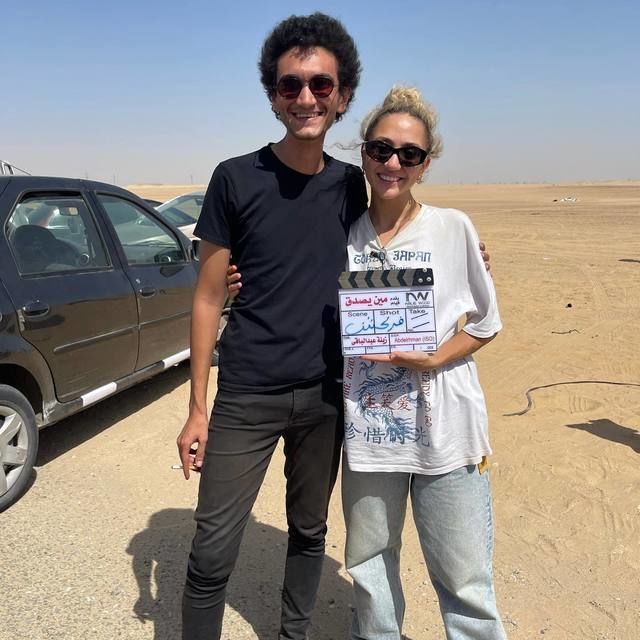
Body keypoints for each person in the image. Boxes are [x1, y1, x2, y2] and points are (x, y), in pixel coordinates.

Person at [176, 13, 367, 640]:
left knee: (309, 531)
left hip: (325, 396)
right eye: (291, 85)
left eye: (320, 84)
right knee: (212, 548)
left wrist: (462, 257)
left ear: (342, 95)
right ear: (273, 95)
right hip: (247, 393)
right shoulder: (235, 178)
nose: (306, 98)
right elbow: (208, 297)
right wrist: (198, 407)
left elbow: (396, 245)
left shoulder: (353, 186)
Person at [341, 86, 507, 639]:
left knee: (465, 582)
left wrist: (435, 356)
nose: (393, 163)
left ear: (425, 163)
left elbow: (485, 322)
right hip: (368, 432)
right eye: (381, 149)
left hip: (447, 429)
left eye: (409, 153)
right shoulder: (340, 234)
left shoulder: (453, 228)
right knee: (370, 569)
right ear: (364, 152)